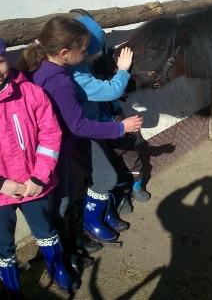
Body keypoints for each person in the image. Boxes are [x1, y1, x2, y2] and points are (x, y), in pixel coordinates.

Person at [17, 16, 143, 250]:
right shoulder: (64, 79)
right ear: (65, 52)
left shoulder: (51, 68)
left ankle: (90, 225)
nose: (86, 57)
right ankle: (86, 227)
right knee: (95, 182)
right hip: (67, 142)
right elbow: (78, 124)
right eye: (84, 51)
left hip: (63, 143)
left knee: (74, 189)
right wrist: (120, 127)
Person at [0, 36, 80, 295]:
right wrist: (2, 184)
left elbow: (50, 135)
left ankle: (57, 267)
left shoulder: (30, 93)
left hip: (34, 184)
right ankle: (11, 284)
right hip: (1, 192)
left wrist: (38, 177)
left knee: (45, 230)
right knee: (2, 243)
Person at [68, 16, 149, 218]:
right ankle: (118, 197)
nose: (94, 56)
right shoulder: (74, 74)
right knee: (109, 164)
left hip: (105, 115)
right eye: (91, 51)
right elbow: (111, 90)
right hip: (93, 128)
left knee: (129, 148)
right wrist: (123, 69)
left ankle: (135, 184)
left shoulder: (80, 65)